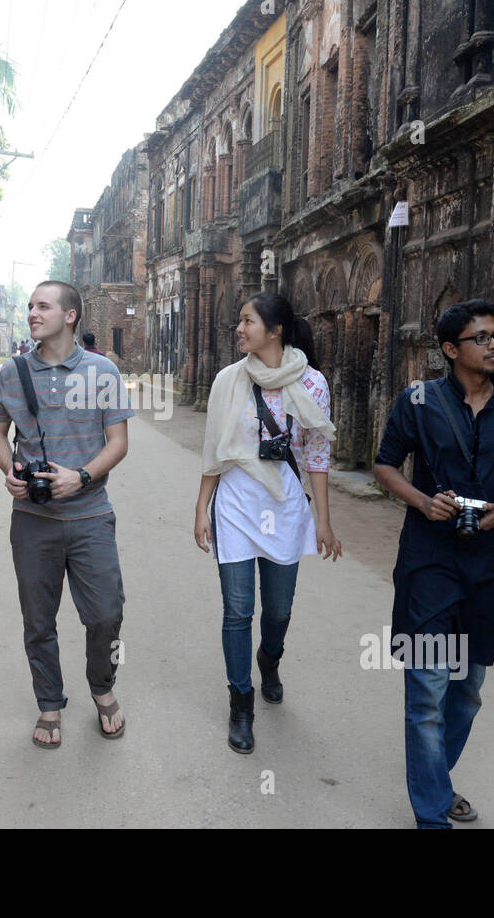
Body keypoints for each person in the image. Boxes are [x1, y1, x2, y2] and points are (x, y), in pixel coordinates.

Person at [372, 298, 494, 828]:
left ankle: (436, 783)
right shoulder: (418, 400)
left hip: (490, 566)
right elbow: (385, 465)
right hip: (429, 562)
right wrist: (423, 501)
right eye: (483, 337)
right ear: (451, 350)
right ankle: (432, 815)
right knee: (426, 690)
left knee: (467, 691)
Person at [0, 280, 134, 748]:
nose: (33, 312)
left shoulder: (102, 371)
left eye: (43, 306)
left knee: (107, 614)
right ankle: (49, 703)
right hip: (33, 519)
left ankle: (102, 686)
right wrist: (10, 469)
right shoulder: (12, 373)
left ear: (70, 316)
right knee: (38, 619)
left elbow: (118, 443)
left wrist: (81, 477)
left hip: (91, 515)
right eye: (30, 306)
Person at [194, 293, 342, 754]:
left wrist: (323, 521)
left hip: (285, 508)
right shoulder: (227, 380)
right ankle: (241, 701)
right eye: (239, 321)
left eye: (247, 321)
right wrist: (201, 506)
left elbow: (316, 454)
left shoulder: (313, 384)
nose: (239, 329)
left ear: (275, 330)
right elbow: (215, 447)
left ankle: (269, 659)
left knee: (277, 610)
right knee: (238, 611)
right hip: (236, 503)